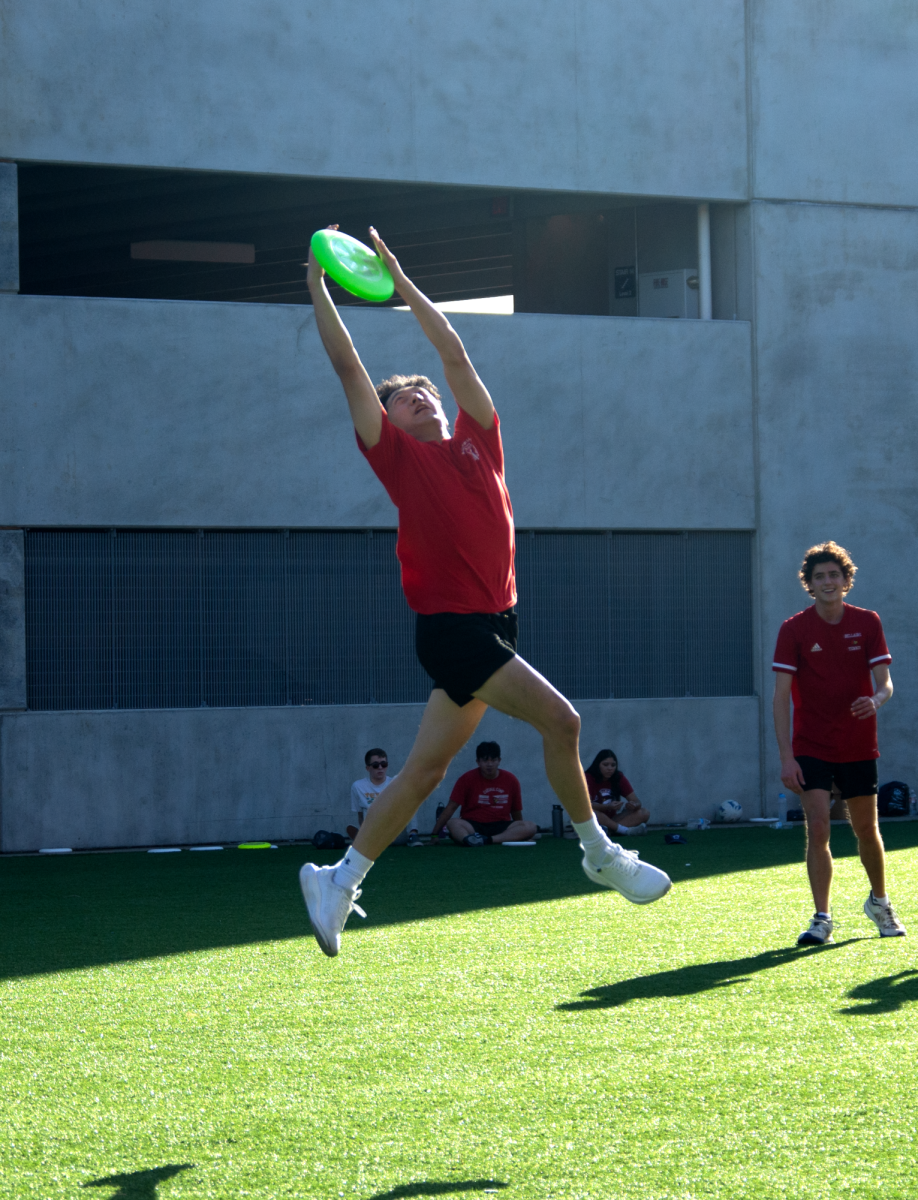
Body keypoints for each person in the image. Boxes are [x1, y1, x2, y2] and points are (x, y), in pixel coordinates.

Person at [299, 225, 671, 957]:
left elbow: (455, 353)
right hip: (454, 628)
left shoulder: (481, 436)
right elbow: (348, 366)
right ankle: (602, 853)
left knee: (425, 771)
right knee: (564, 723)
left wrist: (402, 283)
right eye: (407, 400)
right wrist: (317, 286)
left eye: (425, 396)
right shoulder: (396, 459)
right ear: (392, 421)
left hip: (496, 622)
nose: (423, 401)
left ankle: (338, 879)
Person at [772, 540, 905, 945]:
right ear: (809, 584)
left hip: (858, 744)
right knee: (818, 827)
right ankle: (822, 919)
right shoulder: (793, 629)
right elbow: (780, 698)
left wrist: (876, 700)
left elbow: (885, 684)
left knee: (866, 828)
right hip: (810, 745)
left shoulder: (868, 623)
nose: (828, 582)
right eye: (819, 577)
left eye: (834, 575)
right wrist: (786, 757)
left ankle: (879, 903)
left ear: (846, 580)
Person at [431, 741, 537, 845]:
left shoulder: (511, 780)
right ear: (478, 762)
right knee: (453, 823)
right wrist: (435, 834)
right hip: (473, 825)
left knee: (531, 826)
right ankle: (470, 839)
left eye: (493, 760)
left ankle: (486, 840)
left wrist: (522, 833)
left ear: (499, 760)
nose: (489, 764)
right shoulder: (466, 779)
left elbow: (516, 811)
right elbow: (451, 807)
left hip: (501, 826)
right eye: (485, 760)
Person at [347, 748, 420, 847]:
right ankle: (365, 838)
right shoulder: (358, 786)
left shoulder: (396, 783)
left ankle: (413, 835)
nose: (380, 768)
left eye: (384, 764)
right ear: (368, 768)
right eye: (376, 765)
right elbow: (360, 815)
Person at [583, 749, 650, 835]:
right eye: (605, 765)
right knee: (591, 813)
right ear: (598, 765)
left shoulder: (618, 777)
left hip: (612, 819)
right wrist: (608, 806)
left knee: (644, 813)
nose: (610, 768)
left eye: (613, 765)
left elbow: (636, 801)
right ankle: (625, 831)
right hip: (595, 818)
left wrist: (634, 805)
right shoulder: (588, 778)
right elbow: (586, 805)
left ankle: (608, 830)